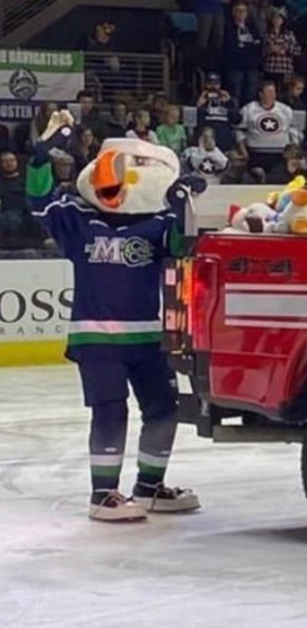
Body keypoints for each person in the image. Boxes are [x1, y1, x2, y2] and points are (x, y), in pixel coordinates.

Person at [27, 111, 203, 522]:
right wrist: (40, 158)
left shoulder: (157, 223)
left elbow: (182, 247)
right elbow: (40, 201)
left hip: (147, 337)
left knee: (163, 406)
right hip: (96, 338)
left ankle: (149, 486)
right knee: (111, 409)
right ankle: (103, 493)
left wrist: (183, 206)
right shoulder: (77, 220)